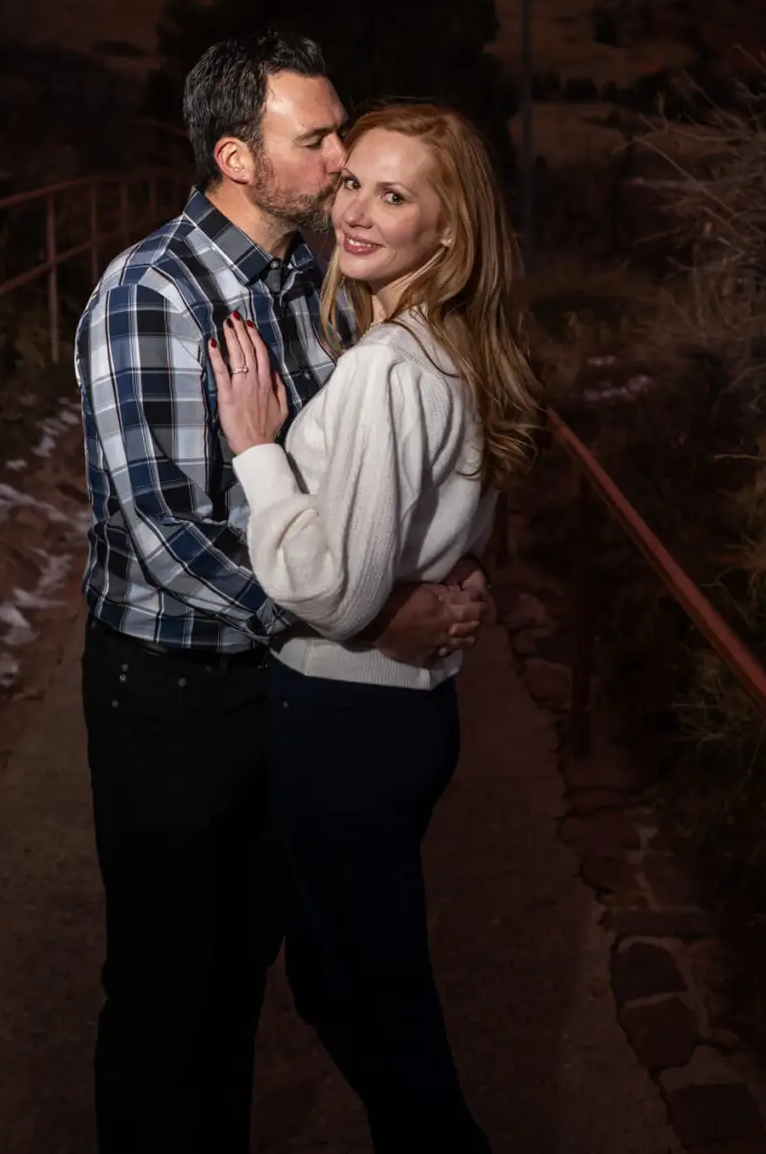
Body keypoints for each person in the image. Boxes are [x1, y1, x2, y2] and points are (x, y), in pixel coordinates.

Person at [75, 33, 486, 1154]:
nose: (342, 154)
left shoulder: (313, 277)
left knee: (247, 972)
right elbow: (170, 536)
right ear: (237, 158)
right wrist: (358, 609)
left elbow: (349, 481)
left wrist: (423, 558)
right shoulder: (150, 295)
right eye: (318, 140)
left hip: (282, 690)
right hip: (168, 693)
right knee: (166, 990)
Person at [209, 102, 544, 1154]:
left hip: (346, 723)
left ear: (445, 231)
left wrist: (257, 449)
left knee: (387, 1018)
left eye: (394, 196)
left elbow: (340, 592)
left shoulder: (385, 369)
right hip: (397, 720)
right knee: (334, 971)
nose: (354, 210)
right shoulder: (448, 347)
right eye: (353, 181)